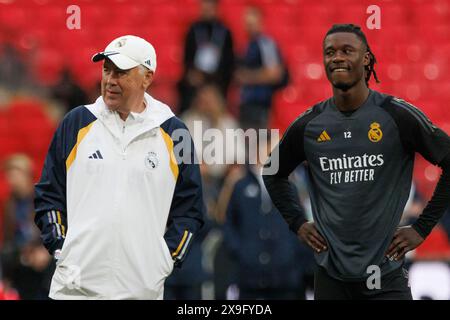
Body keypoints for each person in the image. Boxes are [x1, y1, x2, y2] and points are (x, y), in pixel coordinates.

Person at [262, 24, 450, 300]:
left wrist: (422, 227)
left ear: (366, 60)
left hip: (385, 277)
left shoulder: (396, 115)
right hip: (330, 278)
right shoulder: (310, 124)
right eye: (330, 52)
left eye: (347, 50)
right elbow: (272, 172)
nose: (337, 57)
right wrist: (298, 223)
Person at [34, 35, 204, 300]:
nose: (110, 80)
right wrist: (62, 249)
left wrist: (163, 261)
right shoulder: (76, 122)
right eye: (106, 70)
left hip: (141, 292)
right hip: (73, 290)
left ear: (147, 77)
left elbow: (190, 209)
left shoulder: (176, 133)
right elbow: (49, 194)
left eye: (121, 72)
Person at [178, 0, 234, 114]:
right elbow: (187, 57)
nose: (206, 8)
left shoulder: (224, 31)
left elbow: (229, 60)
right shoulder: (193, 29)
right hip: (196, 79)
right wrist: (192, 73)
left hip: (218, 80)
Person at [235, 6, 287, 129]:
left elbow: (274, 74)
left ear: (260, 23)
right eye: (247, 23)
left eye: (252, 23)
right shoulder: (245, 45)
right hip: (245, 105)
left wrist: (248, 77)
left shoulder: (266, 44)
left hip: (260, 105)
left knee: (260, 143)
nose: (249, 27)